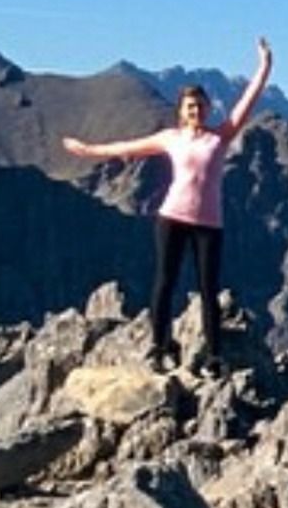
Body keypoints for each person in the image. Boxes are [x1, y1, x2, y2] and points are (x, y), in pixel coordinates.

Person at [62, 37, 273, 374]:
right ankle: (160, 347)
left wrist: (264, 65)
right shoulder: (169, 138)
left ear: (208, 108)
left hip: (208, 224)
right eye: (191, 107)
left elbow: (247, 102)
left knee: (208, 290)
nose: (196, 111)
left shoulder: (221, 136)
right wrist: (87, 150)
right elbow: (126, 147)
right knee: (165, 282)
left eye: (201, 105)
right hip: (171, 217)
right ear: (182, 111)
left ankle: (214, 356)